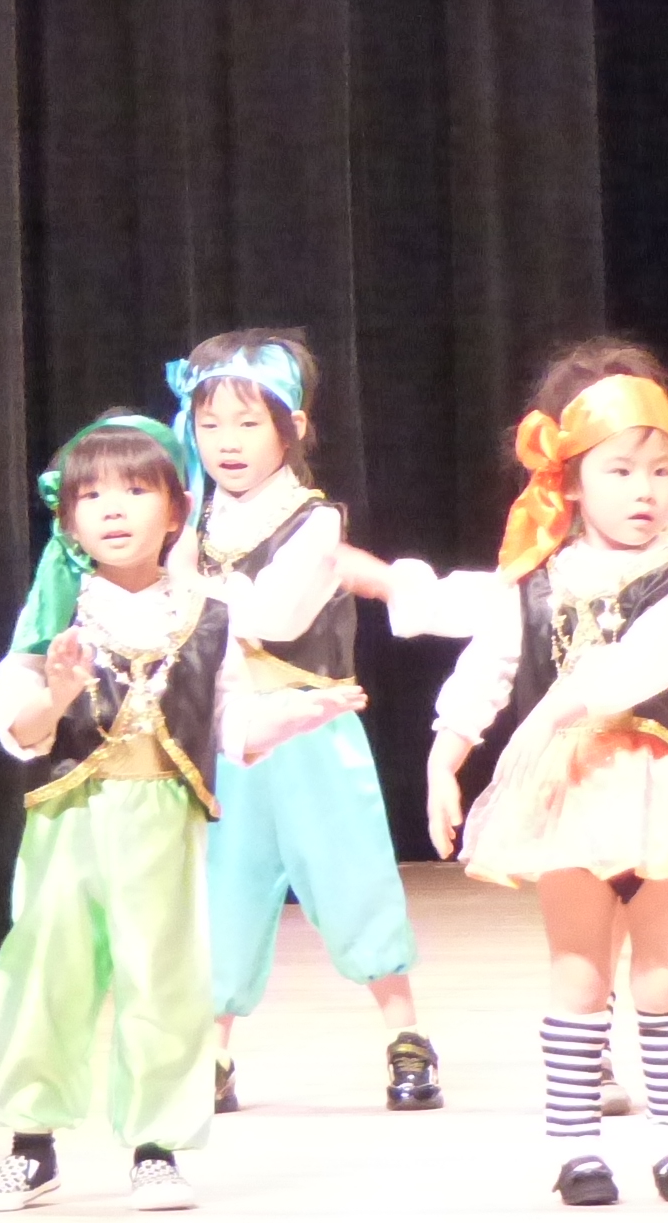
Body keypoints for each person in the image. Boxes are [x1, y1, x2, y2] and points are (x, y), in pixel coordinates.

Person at [347, 342, 668, 1206]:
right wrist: (446, 752)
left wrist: (550, 715)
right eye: (621, 471)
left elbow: (648, 662)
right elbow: (491, 664)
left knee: (665, 971)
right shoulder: (535, 577)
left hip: (662, 785)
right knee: (578, 970)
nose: (645, 491)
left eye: (661, 471)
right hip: (570, 793)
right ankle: (575, 1147)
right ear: (571, 481)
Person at [0, 413, 365, 1213]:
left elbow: (228, 725)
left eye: (135, 489)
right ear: (69, 520)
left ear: (177, 509)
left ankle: (157, 1148)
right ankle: (30, 1147)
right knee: (45, 975)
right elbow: (19, 731)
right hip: (69, 822)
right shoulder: (55, 615)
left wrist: (297, 714)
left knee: (165, 980)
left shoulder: (210, 613)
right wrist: (58, 693)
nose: (113, 508)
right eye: (92, 495)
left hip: (163, 826)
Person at [163, 331, 440, 1116]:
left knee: (351, 877)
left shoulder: (313, 524)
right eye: (210, 424)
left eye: (248, 423)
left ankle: (405, 1034)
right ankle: (213, 1052)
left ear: (294, 427)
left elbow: (272, 617)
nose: (227, 442)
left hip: (311, 727)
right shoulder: (189, 520)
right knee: (222, 887)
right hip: (224, 733)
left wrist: (183, 586)